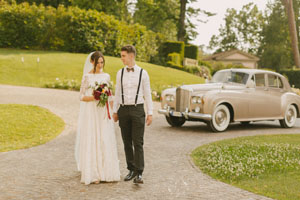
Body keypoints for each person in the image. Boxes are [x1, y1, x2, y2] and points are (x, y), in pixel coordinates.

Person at [75, 51, 120, 185]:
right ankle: (93, 173)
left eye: (102, 62)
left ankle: (106, 172)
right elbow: (81, 96)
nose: (100, 65)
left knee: (104, 138)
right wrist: (94, 97)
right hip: (92, 112)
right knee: (93, 137)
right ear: (92, 62)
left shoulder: (106, 76)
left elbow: (110, 96)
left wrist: (113, 111)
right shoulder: (87, 77)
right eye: (98, 62)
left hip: (103, 113)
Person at [112, 45, 153, 184]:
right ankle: (131, 169)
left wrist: (150, 113)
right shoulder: (120, 73)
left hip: (137, 109)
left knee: (138, 142)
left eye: (123, 55)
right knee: (126, 142)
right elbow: (117, 93)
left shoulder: (143, 73)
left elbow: (147, 94)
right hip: (123, 110)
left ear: (131, 56)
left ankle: (139, 173)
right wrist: (115, 110)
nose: (121, 58)